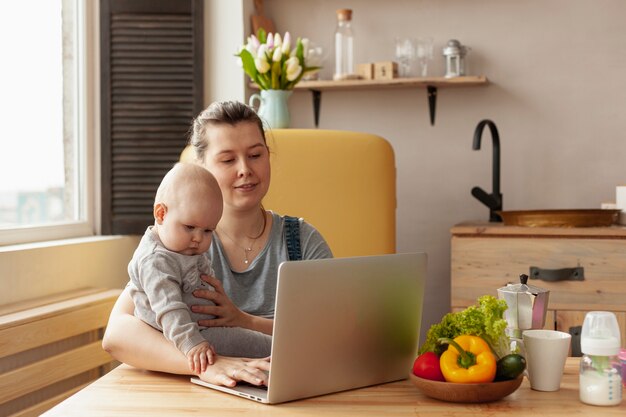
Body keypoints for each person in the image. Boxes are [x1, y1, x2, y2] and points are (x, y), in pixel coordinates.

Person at [103, 101, 333, 387]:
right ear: (201, 169)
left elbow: (330, 335)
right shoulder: (181, 243)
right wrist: (209, 366)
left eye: (255, 155)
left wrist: (244, 320)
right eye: (227, 160)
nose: (245, 169)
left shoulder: (303, 241)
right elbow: (117, 335)